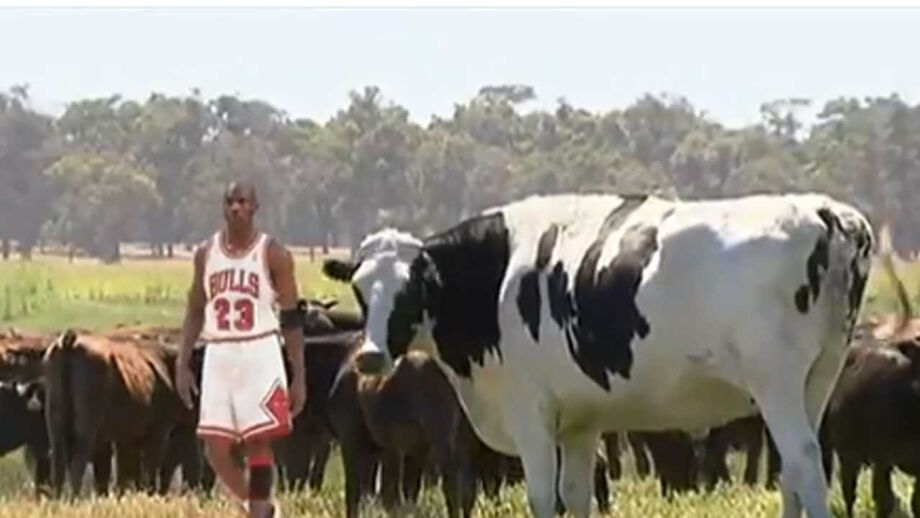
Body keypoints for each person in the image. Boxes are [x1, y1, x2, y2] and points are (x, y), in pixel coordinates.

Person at [175, 181, 306, 518]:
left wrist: (299, 376)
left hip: (260, 350)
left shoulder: (274, 254)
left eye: (242, 201)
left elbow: (291, 318)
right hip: (219, 352)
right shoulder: (206, 254)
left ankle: (259, 512)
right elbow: (194, 309)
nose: (234, 207)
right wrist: (183, 361)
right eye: (229, 201)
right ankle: (257, 505)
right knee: (214, 449)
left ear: (254, 207)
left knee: (258, 440)